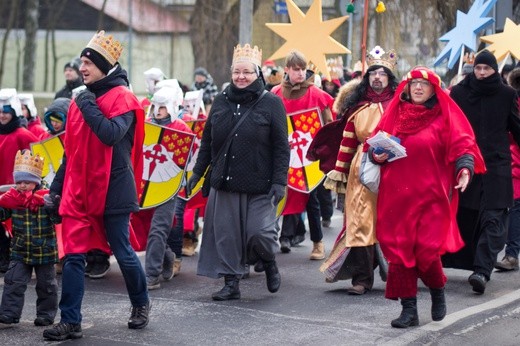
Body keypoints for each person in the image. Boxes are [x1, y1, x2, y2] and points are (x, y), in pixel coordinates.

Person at [42, 30, 149, 341]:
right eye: (82, 62)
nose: (83, 68)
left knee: (122, 250)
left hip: (113, 189)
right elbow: (70, 153)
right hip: (78, 190)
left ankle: (141, 303)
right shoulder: (81, 100)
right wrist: (55, 190)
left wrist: (87, 102)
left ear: (104, 65)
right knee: (73, 254)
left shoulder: (123, 98)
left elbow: (110, 134)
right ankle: (70, 320)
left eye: (88, 63)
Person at [369, 66, 485, 328]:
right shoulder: (396, 114)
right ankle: (409, 309)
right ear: (407, 88)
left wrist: (464, 170)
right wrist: (376, 155)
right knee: (400, 253)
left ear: (434, 89)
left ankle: (437, 290)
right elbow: (375, 147)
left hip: (431, 198)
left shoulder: (443, 116)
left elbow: (463, 145)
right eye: (414, 84)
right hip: (397, 197)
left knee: (426, 251)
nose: (418, 88)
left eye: (424, 84)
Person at [186, 43, 290, 300]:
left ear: (258, 75)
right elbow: (208, 142)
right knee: (227, 236)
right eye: (236, 72)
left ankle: (268, 262)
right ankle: (231, 283)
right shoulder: (220, 102)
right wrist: (197, 175)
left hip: (260, 184)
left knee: (260, 233)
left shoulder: (272, 103)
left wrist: (279, 181)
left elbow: (281, 147)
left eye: (247, 72)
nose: (241, 77)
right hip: (225, 182)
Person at [318, 46, 399, 295]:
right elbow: (348, 142)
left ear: (389, 77)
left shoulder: (400, 106)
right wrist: (340, 173)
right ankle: (362, 279)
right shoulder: (358, 107)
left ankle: (397, 272)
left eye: (382, 73)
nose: (377, 77)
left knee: (392, 222)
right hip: (361, 170)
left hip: (395, 169)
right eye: (373, 72)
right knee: (361, 222)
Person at [444, 50, 520, 295]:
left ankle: (482, 271)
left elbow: (516, 127)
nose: (482, 73)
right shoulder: (459, 93)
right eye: (478, 69)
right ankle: (459, 261)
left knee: (494, 218)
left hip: (497, 165)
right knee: (466, 215)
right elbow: (448, 125)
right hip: (466, 162)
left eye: (486, 69)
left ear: (494, 70)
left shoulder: (507, 94)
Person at [271, 50, 334, 259]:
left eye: (302, 69)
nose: (300, 73)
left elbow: (328, 126)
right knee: (276, 198)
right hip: (282, 154)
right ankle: (270, 241)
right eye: (295, 69)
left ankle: (317, 242)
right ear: (286, 70)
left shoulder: (316, 94)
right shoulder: (276, 94)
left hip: (308, 155)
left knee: (311, 198)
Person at [0, 150, 58, 327]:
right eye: (19, 182)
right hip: (20, 249)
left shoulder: (44, 200)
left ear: (36, 182)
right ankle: (9, 314)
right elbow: (3, 215)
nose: (22, 185)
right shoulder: (12, 199)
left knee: (46, 285)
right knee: (13, 282)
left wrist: (55, 207)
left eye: (27, 182)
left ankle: (46, 315)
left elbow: (58, 219)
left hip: (45, 250)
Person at [144, 84, 192, 290]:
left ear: (171, 107)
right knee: (146, 230)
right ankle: (168, 256)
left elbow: (184, 161)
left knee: (158, 229)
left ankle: (151, 275)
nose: (157, 110)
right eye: (155, 106)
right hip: (145, 186)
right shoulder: (147, 125)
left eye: (162, 107)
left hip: (169, 188)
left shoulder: (181, 129)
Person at [0, 89, 39, 273]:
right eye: (0, 112)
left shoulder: (23, 135)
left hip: (17, 191)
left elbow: (37, 158)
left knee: (14, 227)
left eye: (6, 112)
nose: (2, 116)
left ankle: (12, 260)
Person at [494, 63, 520, 271]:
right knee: (515, 208)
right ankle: (511, 254)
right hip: (514, 161)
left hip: (513, 160)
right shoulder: (512, 100)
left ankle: (512, 254)